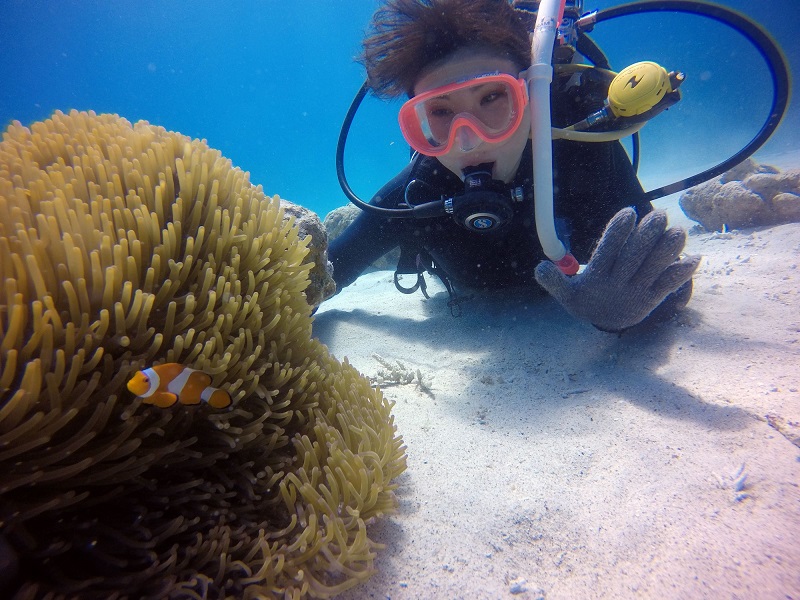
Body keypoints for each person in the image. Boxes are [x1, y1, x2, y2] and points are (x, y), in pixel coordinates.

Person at [328, 0, 700, 332]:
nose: (468, 140)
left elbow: (668, 279)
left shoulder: (587, 158)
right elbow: (321, 279)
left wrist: (620, 317)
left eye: (492, 97)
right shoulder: (417, 194)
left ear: (532, 97)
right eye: (440, 112)